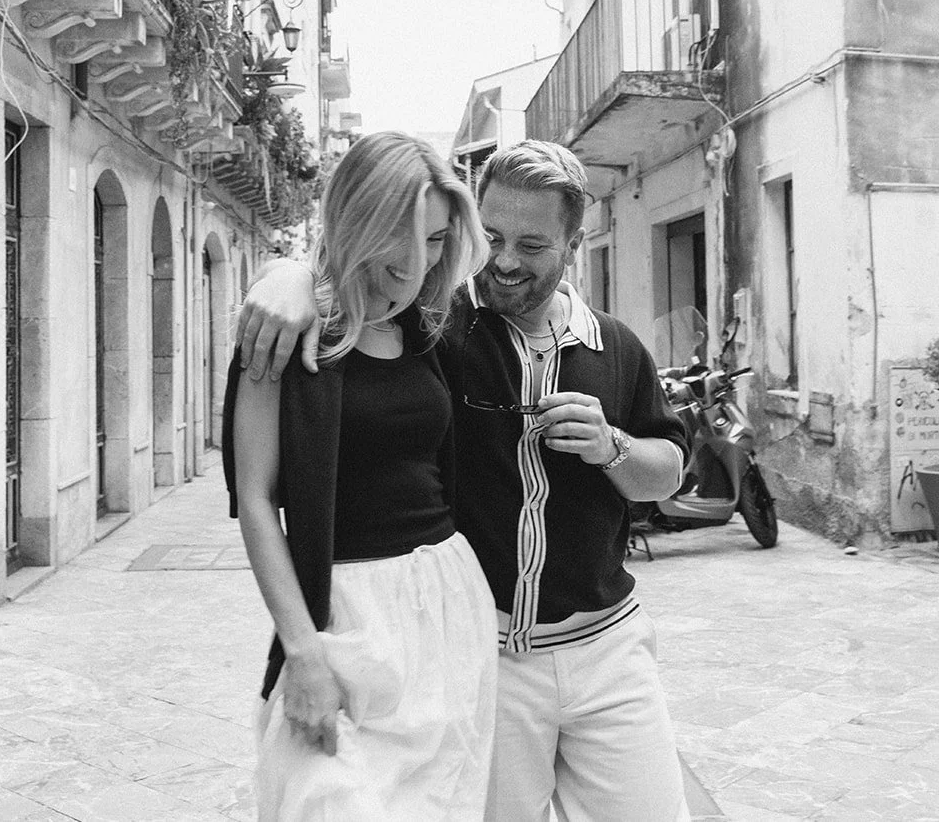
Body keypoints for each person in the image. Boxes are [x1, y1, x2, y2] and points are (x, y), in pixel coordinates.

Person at [237, 140, 692, 821]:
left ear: (575, 241)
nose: (505, 261)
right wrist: (283, 274)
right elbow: (360, 278)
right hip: (492, 652)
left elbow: (669, 470)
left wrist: (612, 444)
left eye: (532, 244)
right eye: (495, 237)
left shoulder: (617, 346)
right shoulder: (440, 327)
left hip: (607, 645)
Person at [222, 131, 498, 820]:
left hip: (444, 613)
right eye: (399, 239)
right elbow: (256, 501)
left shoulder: (429, 329)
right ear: (357, 221)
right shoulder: (286, 330)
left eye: (435, 240)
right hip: (341, 618)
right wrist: (302, 650)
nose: (415, 265)